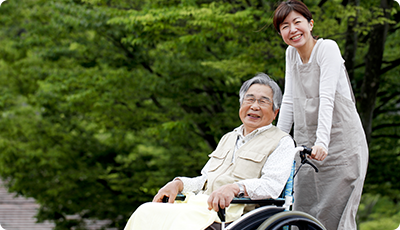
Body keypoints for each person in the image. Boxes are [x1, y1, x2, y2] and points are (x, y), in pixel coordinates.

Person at [124, 73, 296, 230]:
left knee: (181, 220)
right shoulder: (228, 137)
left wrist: (235, 188)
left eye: (263, 101)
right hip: (204, 206)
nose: (254, 106)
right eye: (249, 100)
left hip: (238, 215)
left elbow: (271, 185)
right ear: (241, 105)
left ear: (275, 112)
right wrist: (179, 183)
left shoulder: (281, 141)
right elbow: (205, 180)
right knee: (146, 211)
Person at [272, 1, 369, 230]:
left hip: (339, 144)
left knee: (337, 216)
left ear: (310, 24)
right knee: (302, 210)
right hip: (308, 146)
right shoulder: (291, 55)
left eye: (297, 22)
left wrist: (322, 142)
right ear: (280, 33)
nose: (292, 30)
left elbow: (327, 98)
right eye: (285, 26)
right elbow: (288, 100)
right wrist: (276, 143)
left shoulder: (327, 49)